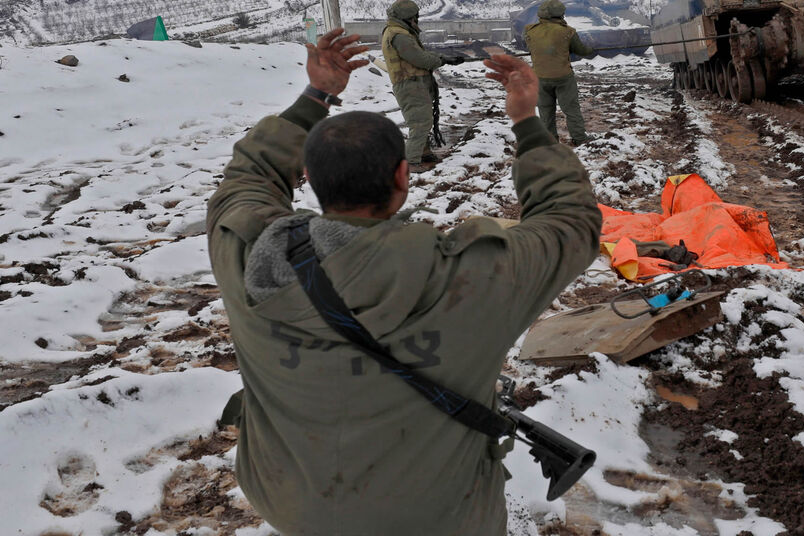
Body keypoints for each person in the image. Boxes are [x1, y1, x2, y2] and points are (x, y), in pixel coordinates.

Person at [206, 28, 602, 535]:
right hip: (440, 519)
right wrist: (526, 120)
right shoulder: (475, 278)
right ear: (402, 177)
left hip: (292, 504)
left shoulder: (249, 257)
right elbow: (571, 221)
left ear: (307, 174)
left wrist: (317, 95)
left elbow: (250, 173)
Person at [380, 0, 464, 173]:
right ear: (409, 17)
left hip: (414, 83)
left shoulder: (400, 31)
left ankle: (423, 152)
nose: (417, 20)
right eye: (415, 17)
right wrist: (441, 60)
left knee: (423, 119)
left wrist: (443, 58)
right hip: (410, 84)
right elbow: (419, 59)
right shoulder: (400, 35)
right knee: (420, 122)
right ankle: (411, 161)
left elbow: (419, 54)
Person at [524, 0, 594, 146]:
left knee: (545, 112)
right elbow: (581, 50)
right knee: (571, 110)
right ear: (560, 14)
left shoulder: (529, 30)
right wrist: (592, 49)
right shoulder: (568, 31)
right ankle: (579, 139)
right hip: (563, 78)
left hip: (539, 78)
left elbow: (533, 48)